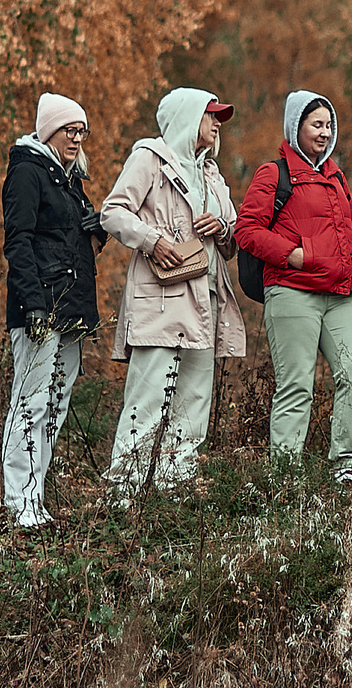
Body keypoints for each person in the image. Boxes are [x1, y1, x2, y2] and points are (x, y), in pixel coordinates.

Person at [99, 88, 244, 494]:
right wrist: (152, 241)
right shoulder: (149, 158)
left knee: (193, 402)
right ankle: (123, 494)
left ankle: (173, 490)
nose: (217, 123)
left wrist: (223, 228)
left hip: (207, 299)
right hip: (161, 300)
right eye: (211, 115)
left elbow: (234, 236)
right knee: (147, 400)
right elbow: (112, 212)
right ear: (187, 116)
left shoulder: (211, 172)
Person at [237, 90, 352, 485]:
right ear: (295, 126)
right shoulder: (273, 173)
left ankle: (345, 465)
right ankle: (284, 478)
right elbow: (246, 230)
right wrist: (294, 255)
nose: (325, 132)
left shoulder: (336, 176)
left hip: (341, 295)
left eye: (329, 125)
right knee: (297, 385)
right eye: (317, 124)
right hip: (292, 290)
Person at [0, 93, 105, 528]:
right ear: (49, 132)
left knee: (55, 406)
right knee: (31, 403)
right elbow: (18, 241)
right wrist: (34, 306)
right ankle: (18, 502)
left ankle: (34, 499)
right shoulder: (28, 172)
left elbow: (66, 244)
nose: (76, 139)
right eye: (69, 130)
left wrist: (96, 230)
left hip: (69, 310)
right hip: (39, 311)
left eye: (82, 132)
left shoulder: (68, 180)